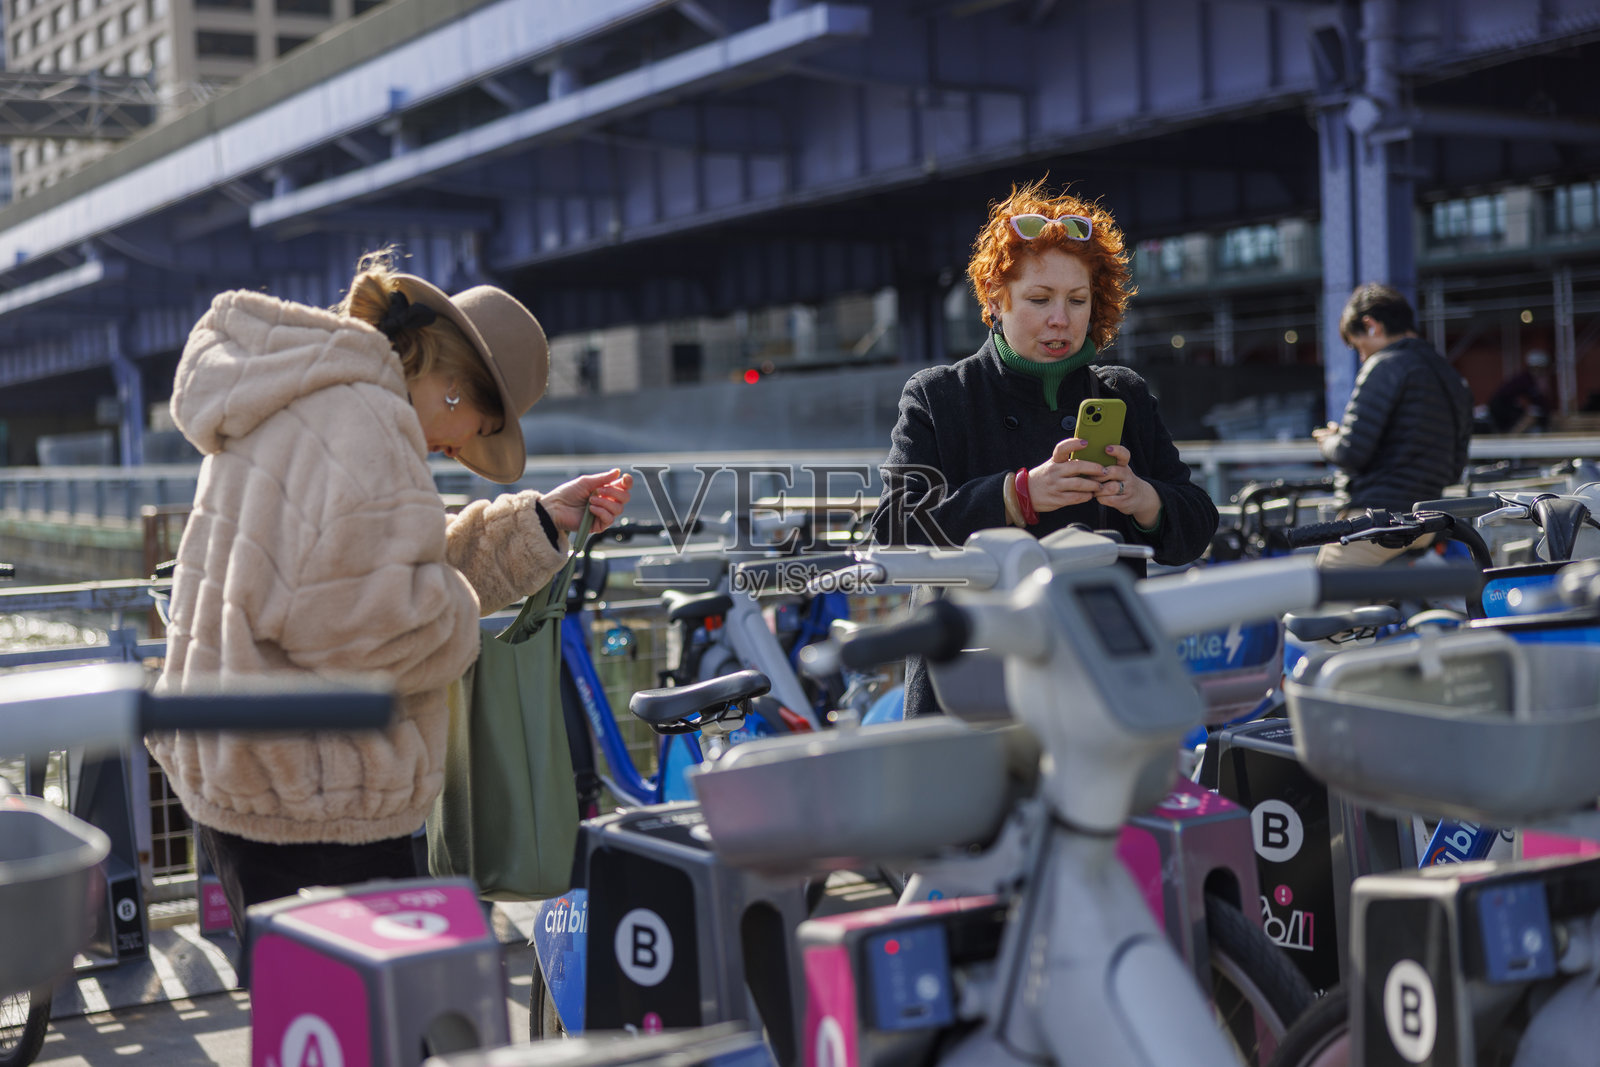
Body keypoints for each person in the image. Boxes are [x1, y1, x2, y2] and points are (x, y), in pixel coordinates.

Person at [149, 250, 633, 943]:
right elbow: (374, 626)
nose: (460, 450)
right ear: (461, 392)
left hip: (246, 774)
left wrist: (536, 521)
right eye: (485, 433)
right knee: (378, 1014)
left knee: (307, 1023)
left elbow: (368, 564)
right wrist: (462, 628)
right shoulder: (368, 425)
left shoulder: (316, 395)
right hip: (317, 797)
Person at [870, 179, 1218, 717]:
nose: (1062, 319)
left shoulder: (1122, 394)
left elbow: (1195, 527)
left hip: (1099, 678)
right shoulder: (940, 397)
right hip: (973, 681)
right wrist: (1019, 495)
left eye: (1078, 300)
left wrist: (1143, 500)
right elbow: (894, 532)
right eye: (1039, 299)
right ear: (995, 298)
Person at [1313, 282, 1473, 567]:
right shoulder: (1448, 374)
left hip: (1378, 522)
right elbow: (1454, 466)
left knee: (1323, 597)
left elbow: (1351, 452)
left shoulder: (1385, 365)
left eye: (1358, 346)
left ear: (1371, 325)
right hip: (1425, 522)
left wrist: (1329, 441)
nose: (1362, 357)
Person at [1487, 350, 1554, 434]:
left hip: (1502, 406)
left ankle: (1512, 435)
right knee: (1531, 416)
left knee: (1532, 414)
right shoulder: (1526, 380)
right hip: (1500, 408)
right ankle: (1512, 436)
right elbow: (1538, 400)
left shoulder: (1527, 378)